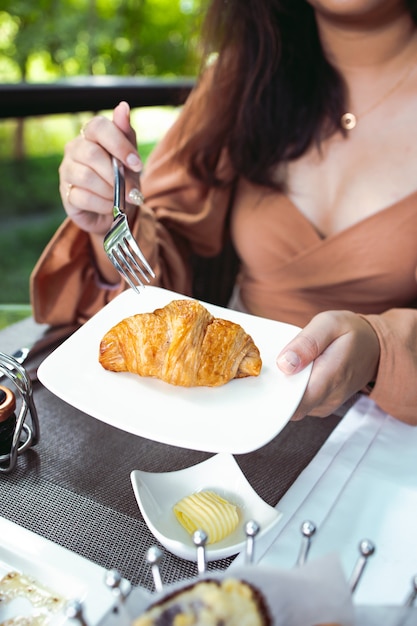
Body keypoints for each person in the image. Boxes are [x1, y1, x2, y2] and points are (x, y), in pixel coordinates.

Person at [31, 0, 417, 425]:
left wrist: (384, 350)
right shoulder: (241, 80)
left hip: (384, 428)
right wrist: (111, 218)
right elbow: (161, 294)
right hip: (225, 409)